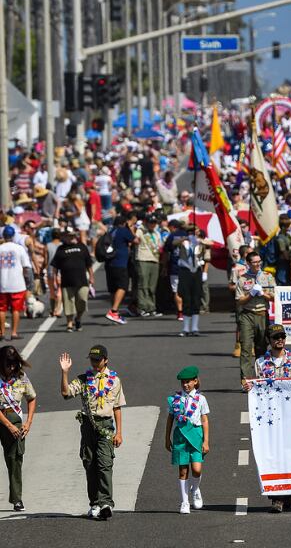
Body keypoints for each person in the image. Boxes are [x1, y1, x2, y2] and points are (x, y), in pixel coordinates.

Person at [242, 324, 291, 513]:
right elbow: (258, 386)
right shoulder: (260, 363)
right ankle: (277, 498)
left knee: (287, 456)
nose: (280, 340)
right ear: (269, 340)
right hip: (269, 416)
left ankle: (285, 494)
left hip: (290, 416)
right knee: (273, 456)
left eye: (282, 336)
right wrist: (249, 387)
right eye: (276, 337)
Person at [59, 345, 125, 520]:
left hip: (105, 425)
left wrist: (119, 433)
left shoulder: (115, 380)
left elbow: (117, 407)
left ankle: (106, 503)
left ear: (105, 360)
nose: (94, 363)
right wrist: (65, 372)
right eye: (92, 360)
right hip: (88, 425)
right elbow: (66, 393)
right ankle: (94, 503)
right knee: (90, 464)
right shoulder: (83, 379)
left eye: (97, 360)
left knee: (105, 464)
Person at [164, 366, 210, 515]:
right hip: (180, 436)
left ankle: (195, 489)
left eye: (188, 382)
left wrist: (206, 441)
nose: (185, 385)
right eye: (183, 382)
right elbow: (170, 419)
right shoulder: (175, 399)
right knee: (183, 470)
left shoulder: (201, 399)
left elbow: (205, 420)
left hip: (196, 434)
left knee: (197, 469)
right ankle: (184, 502)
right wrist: (167, 438)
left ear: (195, 381)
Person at [0, 345, 36, 512]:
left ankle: (17, 498)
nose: (12, 368)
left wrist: (28, 422)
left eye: (14, 364)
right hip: (3, 419)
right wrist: (7, 425)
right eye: (9, 364)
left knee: (15, 459)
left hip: (14, 420)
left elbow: (31, 398)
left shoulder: (21, 377)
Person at [235, 251, 276, 382]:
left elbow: (275, 296)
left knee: (262, 347)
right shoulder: (242, 279)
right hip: (247, 314)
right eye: (255, 262)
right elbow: (239, 300)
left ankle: (261, 378)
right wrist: (251, 294)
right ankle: (246, 379)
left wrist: (263, 293)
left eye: (259, 261)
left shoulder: (267, 276)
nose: (258, 264)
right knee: (246, 348)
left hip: (262, 314)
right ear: (248, 263)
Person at [50, 229, 94, 332]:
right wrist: (55, 278)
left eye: (73, 236)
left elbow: (89, 264)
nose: (71, 238)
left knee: (82, 301)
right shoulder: (61, 249)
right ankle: (69, 323)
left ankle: (78, 319)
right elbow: (55, 266)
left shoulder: (82, 247)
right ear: (65, 237)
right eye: (69, 236)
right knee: (68, 303)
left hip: (82, 280)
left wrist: (91, 276)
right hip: (67, 281)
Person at [0, 226, 32, 341]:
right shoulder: (19, 248)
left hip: (2, 284)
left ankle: (2, 332)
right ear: (13, 236)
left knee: (1, 309)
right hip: (17, 284)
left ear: (3, 236)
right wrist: (28, 281)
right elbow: (26, 267)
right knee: (16, 309)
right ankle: (13, 333)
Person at [105, 214, 138, 324]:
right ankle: (113, 311)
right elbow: (136, 240)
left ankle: (115, 313)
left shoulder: (110, 231)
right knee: (122, 287)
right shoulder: (123, 231)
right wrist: (131, 230)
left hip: (109, 263)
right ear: (124, 223)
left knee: (113, 289)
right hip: (120, 263)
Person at [176, 225, 207, 337]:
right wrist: (185, 239)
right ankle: (185, 328)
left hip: (197, 271)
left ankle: (194, 327)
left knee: (196, 298)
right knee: (186, 298)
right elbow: (173, 244)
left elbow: (211, 244)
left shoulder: (200, 243)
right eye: (190, 232)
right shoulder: (183, 243)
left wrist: (199, 240)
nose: (192, 234)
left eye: (194, 232)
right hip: (185, 271)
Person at [135, 214, 163, 317]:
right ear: (146, 222)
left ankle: (152, 307)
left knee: (152, 286)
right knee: (143, 284)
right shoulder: (141, 230)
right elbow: (136, 238)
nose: (153, 225)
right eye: (151, 222)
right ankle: (142, 307)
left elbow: (160, 245)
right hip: (143, 259)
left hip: (155, 259)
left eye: (154, 223)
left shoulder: (156, 233)